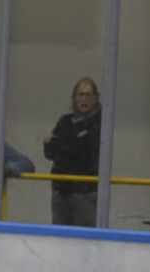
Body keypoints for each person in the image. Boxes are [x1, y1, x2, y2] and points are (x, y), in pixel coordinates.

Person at [43, 77, 102, 227]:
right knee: (59, 235)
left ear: (95, 98)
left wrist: (59, 143)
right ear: (74, 98)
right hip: (60, 190)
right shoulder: (65, 120)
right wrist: (73, 141)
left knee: (84, 237)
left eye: (88, 95)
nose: (84, 99)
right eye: (80, 94)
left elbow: (80, 149)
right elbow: (49, 152)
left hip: (85, 191)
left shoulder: (99, 122)